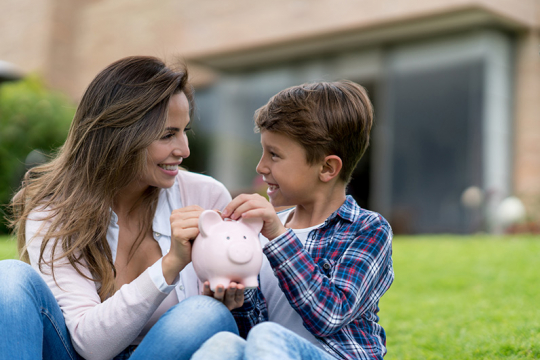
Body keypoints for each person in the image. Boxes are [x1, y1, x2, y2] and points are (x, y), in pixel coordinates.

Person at [0, 56, 244, 360]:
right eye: (168, 134)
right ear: (121, 135)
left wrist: (223, 297)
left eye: (185, 131)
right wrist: (169, 266)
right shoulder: (54, 213)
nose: (184, 150)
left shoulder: (204, 195)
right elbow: (90, 345)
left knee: (204, 313)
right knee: (8, 277)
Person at [191, 81, 394, 360]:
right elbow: (254, 330)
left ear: (327, 167)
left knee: (267, 336)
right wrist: (235, 300)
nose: (261, 167)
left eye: (274, 155)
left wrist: (278, 235)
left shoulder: (368, 230)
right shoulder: (262, 232)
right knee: (224, 343)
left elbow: (330, 315)